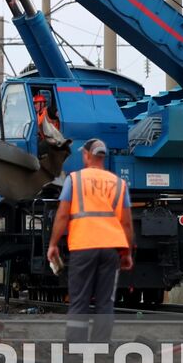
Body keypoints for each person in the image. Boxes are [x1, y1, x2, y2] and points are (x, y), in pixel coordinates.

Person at [46, 138, 134, 345]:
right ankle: (100, 346)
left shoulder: (74, 180)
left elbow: (62, 215)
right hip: (111, 249)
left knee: (79, 300)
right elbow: (127, 223)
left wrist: (53, 244)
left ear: (86, 155)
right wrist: (127, 253)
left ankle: (76, 347)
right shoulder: (119, 184)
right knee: (105, 302)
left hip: (83, 246)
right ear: (103, 157)